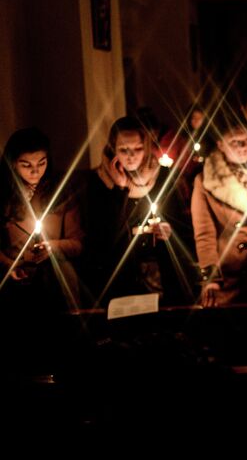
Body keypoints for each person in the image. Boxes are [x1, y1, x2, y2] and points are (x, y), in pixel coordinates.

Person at [83, 116, 191, 306]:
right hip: (117, 276)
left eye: (138, 149)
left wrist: (168, 230)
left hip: (160, 275)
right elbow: (102, 237)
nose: (131, 156)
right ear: (113, 149)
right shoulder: (99, 182)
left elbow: (182, 226)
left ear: (147, 147)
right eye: (123, 150)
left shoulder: (163, 176)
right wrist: (120, 190)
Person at [0, 128, 84, 373]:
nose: (35, 171)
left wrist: (53, 247)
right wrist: (9, 264)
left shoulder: (61, 192)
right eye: (26, 165)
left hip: (56, 286)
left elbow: (78, 242)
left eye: (42, 163)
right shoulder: (3, 196)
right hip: (14, 289)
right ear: (12, 164)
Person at [191, 121, 247, 306]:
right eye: (234, 141)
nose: (242, 147)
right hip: (232, 276)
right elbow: (204, 233)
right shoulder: (206, 180)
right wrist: (211, 278)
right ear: (220, 144)